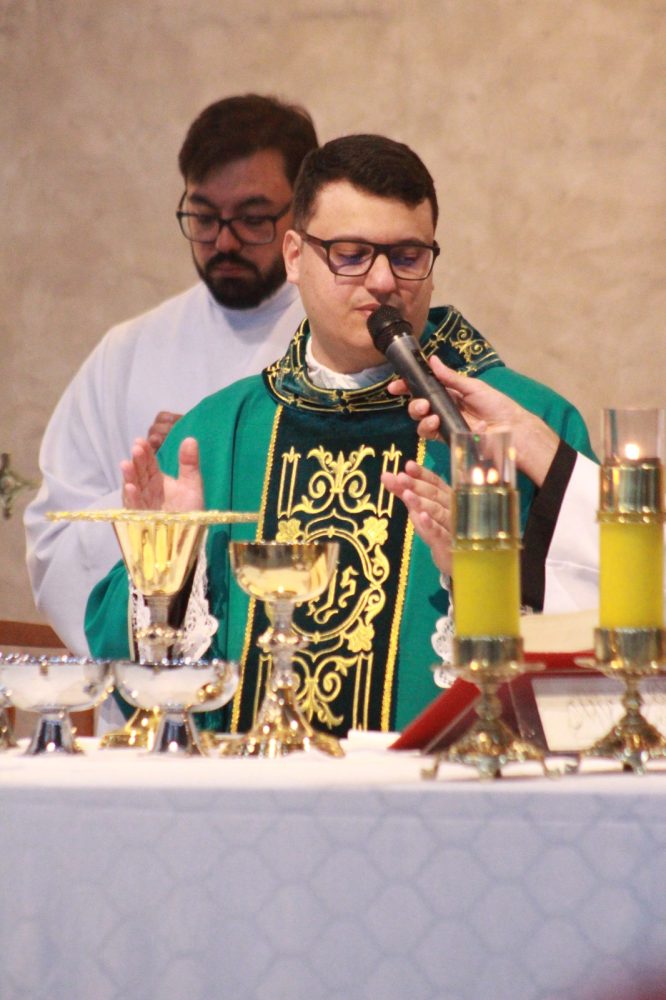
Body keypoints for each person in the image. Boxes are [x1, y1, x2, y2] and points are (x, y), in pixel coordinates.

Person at [85, 133, 595, 737]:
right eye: (351, 254)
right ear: (294, 256)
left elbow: (604, 630)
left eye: (407, 256)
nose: (382, 281)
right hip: (252, 787)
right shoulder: (218, 433)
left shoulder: (524, 427)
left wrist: (480, 573)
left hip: (443, 782)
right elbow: (124, 665)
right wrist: (167, 568)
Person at [24, 94, 318, 655]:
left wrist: (231, 464)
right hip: (154, 680)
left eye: (252, 219)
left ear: (303, 215)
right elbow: (54, 539)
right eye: (204, 217)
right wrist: (146, 498)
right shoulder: (127, 351)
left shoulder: (336, 343)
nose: (224, 241)